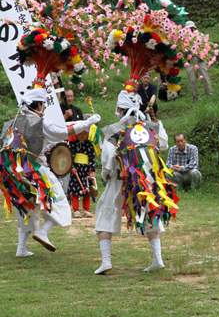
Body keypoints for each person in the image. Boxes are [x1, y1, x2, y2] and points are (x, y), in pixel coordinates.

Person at [9, 88, 100, 257]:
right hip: (37, 170)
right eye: (43, 104)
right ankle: (43, 232)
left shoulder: (15, 121)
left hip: (18, 172)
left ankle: (21, 248)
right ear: (38, 105)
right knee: (59, 202)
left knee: (27, 206)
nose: (44, 108)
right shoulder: (40, 123)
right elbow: (63, 132)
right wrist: (88, 122)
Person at [94, 91, 171, 275]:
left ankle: (106, 261)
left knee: (105, 216)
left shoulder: (114, 129)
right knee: (148, 214)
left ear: (120, 109)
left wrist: (106, 175)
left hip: (119, 180)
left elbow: (108, 161)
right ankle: (158, 259)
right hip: (145, 181)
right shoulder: (150, 126)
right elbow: (164, 144)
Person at [67, 126, 96, 218]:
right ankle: (76, 210)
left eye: (84, 134)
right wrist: (71, 167)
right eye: (80, 133)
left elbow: (92, 159)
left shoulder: (90, 146)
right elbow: (68, 157)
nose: (82, 136)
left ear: (87, 134)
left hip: (86, 171)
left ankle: (86, 209)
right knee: (75, 190)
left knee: (87, 191)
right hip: (75, 170)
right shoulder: (72, 144)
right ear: (76, 134)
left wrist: (91, 172)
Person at [186, 21, 213, 103]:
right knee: (192, 80)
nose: (191, 30)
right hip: (191, 60)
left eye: (192, 28)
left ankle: (209, 95)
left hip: (200, 59)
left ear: (194, 28)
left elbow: (206, 47)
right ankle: (195, 97)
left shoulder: (200, 36)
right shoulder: (184, 37)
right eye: (189, 28)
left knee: (205, 77)